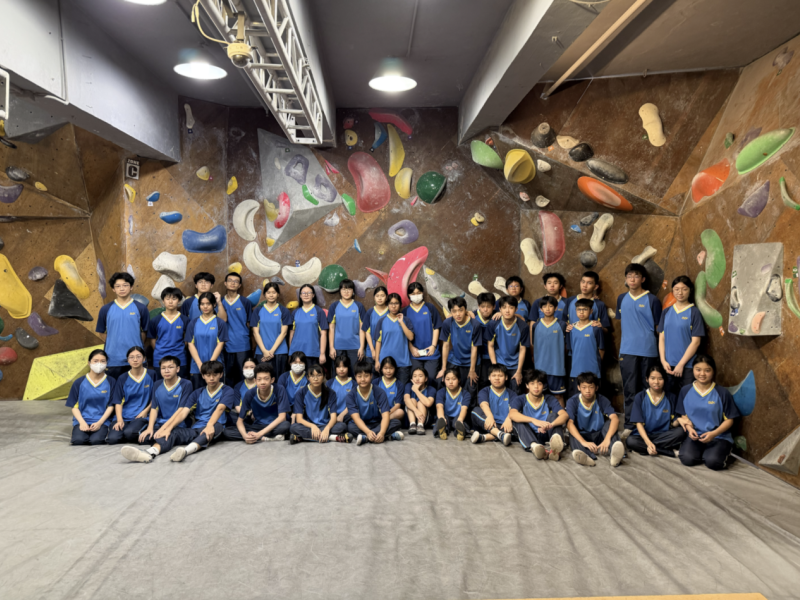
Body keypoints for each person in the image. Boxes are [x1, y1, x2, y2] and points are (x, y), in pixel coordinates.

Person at [119, 361, 236, 463]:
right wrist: (168, 428)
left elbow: (220, 408)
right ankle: (150, 452)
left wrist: (210, 425)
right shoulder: (197, 393)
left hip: (214, 427)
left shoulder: (227, 390)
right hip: (196, 428)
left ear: (221, 375)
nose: (211, 378)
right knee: (171, 433)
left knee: (215, 427)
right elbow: (183, 412)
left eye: (215, 375)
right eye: (208, 375)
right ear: (203, 376)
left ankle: (185, 451)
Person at [617, 263, 663, 433]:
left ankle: (647, 425)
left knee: (648, 389)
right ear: (626, 279)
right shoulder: (622, 298)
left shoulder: (652, 300)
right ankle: (630, 425)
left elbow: (659, 328)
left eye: (636, 276)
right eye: (629, 276)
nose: (632, 279)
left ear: (643, 279)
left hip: (648, 351)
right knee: (630, 390)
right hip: (627, 351)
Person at [675, 355, 740, 470]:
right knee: (687, 459)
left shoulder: (722, 393)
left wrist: (713, 434)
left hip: (718, 436)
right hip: (695, 436)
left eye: (707, 370)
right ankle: (702, 452)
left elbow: (730, 419)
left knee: (713, 462)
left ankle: (717, 452)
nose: (702, 374)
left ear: (713, 371)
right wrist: (689, 429)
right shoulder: (685, 390)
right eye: (698, 370)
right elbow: (683, 415)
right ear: (693, 370)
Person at [96, 273, 150, 379]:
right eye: (118, 286)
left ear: (131, 287)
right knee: (114, 388)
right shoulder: (105, 309)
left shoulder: (141, 308)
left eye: (125, 285)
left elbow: (144, 331)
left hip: (136, 359)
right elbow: (101, 332)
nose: (122, 288)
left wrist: (137, 347)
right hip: (113, 360)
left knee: (137, 387)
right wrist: (114, 343)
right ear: (113, 289)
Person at [566, 372, 625, 467]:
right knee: (573, 433)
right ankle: (585, 456)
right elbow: (569, 423)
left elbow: (615, 419)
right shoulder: (572, 401)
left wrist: (607, 439)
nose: (587, 390)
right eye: (584, 387)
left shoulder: (602, 400)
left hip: (599, 435)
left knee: (610, 423)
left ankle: (616, 456)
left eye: (591, 387)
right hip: (582, 435)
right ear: (578, 387)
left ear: (596, 388)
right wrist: (583, 442)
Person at [658, 276, 705, 397]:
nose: (680, 292)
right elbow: (662, 338)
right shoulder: (666, 312)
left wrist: (681, 364)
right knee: (669, 399)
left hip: (687, 366)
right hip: (668, 366)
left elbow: (696, 342)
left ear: (690, 290)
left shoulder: (694, 312)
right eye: (677, 289)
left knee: (686, 399)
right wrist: (663, 361)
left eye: (684, 289)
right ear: (672, 291)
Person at [628, 365, 686, 457]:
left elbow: (674, 424)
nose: (656, 382)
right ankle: (669, 452)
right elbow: (638, 423)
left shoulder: (671, 397)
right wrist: (648, 442)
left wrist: (679, 419)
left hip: (663, 435)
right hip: (645, 435)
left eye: (660, 379)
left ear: (665, 380)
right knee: (631, 441)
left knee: (681, 432)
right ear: (647, 379)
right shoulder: (640, 397)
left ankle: (644, 449)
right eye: (653, 378)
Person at [224, 363, 290, 443]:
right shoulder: (250, 394)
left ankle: (258, 436)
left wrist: (259, 434)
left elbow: (282, 417)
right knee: (227, 431)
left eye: (266, 379)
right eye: (259, 379)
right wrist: (245, 436)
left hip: (275, 425)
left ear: (272, 380)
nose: (262, 382)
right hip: (257, 426)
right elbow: (239, 421)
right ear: (255, 380)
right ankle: (265, 437)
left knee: (285, 425)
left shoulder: (279, 389)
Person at [510, 369, 568, 460]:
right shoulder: (520, 399)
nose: (536, 387)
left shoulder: (549, 398)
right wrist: (534, 420)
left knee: (554, 416)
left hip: (545, 433)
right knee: (517, 421)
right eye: (532, 383)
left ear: (544, 385)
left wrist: (550, 425)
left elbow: (564, 415)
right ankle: (535, 447)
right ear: (527, 385)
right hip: (529, 434)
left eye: (539, 383)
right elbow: (512, 414)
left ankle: (555, 450)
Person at [136, 355, 194, 445]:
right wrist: (150, 428)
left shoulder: (186, 384)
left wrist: (163, 429)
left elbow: (181, 410)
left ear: (178, 369)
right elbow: (154, 408)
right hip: (161, 422)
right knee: (144, 438)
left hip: (179, 424)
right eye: (163, 368)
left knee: (164, 437)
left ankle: (154, 449)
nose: (166, 371)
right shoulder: (157, 384)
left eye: (170, 367)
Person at [289, 363, 350, 443]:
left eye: (319, 375)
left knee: (342, 426)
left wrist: (327, 429)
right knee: (293, 427)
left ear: (324, 376)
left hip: (325, 425)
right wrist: (313, 426)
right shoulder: (301, 393)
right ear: (308, 378)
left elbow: (333, 417)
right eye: (312, 376)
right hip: (309, 425)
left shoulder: (331, 393)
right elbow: (299, 419)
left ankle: (303, 438)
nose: (316, 379)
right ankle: (331, 437)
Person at [345, 362, 404, 445]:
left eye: (366, 376)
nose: (363, 379)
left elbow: (385, 415)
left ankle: (366, 438)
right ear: (355, 377)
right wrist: (368, 432)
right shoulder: (350, 395)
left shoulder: (379, 392)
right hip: (362, 424)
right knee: (351, 427)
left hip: (377, 423)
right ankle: (387, 436)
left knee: (396, 423)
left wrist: (382, 432)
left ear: (371, 376)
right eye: (359, 376)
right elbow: (356, 418)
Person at [107, 346, 156, 445]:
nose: (135, 360)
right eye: (131, 357)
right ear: (128, 360)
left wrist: (146, 411)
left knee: (129, 433)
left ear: (144, 359)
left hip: (141, 416)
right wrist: (119, 420)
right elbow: (118, 401)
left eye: (138, 356)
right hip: (124, 415)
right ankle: (130, 432)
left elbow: (156, 397)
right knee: (113, 439)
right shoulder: (122, 378)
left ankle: (138, 433)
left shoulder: (151, 374)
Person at [66, 350, 116, 445]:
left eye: (102, 361)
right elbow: (74, 406)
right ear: (89, 363)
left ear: (106, 363)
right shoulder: (78, 382)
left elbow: (111, 406)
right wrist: (82, 422)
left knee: (96, 441)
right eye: (95, 361)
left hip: (102, 420)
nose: (99, 364)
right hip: (83, 419)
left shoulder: (111, 382)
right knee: (79, 440)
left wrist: (100, 423)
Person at [437, 296, 481, 396]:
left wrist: (472, 370)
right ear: (451, 312)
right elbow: (445, 346)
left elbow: (474, 348)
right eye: (454, 311)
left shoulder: (475, 324)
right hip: (454, 359)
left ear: (465, 310)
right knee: (445, 382)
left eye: (460, 310)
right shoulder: (447, 323)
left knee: (470, 388)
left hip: (471, 362)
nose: (458, 314)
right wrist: (443, 368)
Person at [185, 292, 229, 390]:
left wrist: (209, 365)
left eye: (208, 303)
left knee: (217, 395)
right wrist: (200, 365)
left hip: (215, 366)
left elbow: (220, 344)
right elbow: (190, 344)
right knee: (197, 395)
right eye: (202, 304)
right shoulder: (193, 323)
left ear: (214, 304)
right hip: (197, 367)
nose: (205, 306)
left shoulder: (220, 323)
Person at [486, 295, 530, 392]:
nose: (507, 311)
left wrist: (519, 371)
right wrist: (495, 367)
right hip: (499, 362)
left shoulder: (523, 326)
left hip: (515, 365)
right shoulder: (493, 324)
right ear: (500, 309)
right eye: (504, 307)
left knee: (515, 392)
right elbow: (490, 346)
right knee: (499, 391)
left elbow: (523, 349)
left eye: (511, 307)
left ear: (516, 309)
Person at [530, 296, 567, 403]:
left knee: (558, 396)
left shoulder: (562, 325)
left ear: (556, 308)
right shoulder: (536, 325)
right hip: (540, 368)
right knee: (539, 396)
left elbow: (566, 346)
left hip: (557, 368)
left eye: (551, 306)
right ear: (540, 309)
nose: (547, 309)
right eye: (544, 306)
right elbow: (533, 345)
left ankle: (561, 415)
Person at [565, 298, 605, 397]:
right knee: (576, 397)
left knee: (594, 396)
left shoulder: (596, 328)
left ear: (591, 311)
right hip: (576, 370)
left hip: (593, 369)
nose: (581, 312)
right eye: (579, 309)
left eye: (585, 309)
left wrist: (597, 363)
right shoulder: (571, 329)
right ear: (575, 311)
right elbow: (570, 350)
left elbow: (601, 349)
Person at [374, 292, 415, 390]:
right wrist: (377, 361)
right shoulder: (382, 321)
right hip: (385, 363)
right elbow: (378, 342)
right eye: (391, 303)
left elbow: (411, 337)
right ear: (387, 305)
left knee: (402, 391)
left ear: (400, 304)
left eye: (396, 303)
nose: (393, 306)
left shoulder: (406, 320)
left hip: (402, 363)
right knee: (385, 391)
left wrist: (401, 322)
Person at [403, 282, 442, 382]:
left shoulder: (430, 308)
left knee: (430, 379)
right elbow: (404, 333)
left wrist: (433, 346)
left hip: (431, 353)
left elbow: (436, 327)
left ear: (422, 293)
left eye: (418, 293)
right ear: (408, 295)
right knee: (417, 381)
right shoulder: (405, 311)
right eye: (413, 294)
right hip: (414, 354)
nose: (416, 296)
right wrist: (411, 348)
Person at [147, 287, 190, 379]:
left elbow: (187, 339)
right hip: (160, 358)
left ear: (179, 301)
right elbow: (152, 338)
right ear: (163, 301)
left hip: (180, 358)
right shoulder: (156, 320)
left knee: (180, 384)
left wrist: (181, 348)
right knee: (160, 384)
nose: (170, 302)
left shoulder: (185, 320)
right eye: (167, 299)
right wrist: (159, 350)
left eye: (174, 299)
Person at [251, 282, 292, 377]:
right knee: (263, 379)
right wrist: (264, 351)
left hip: (280, 352)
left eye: (274, 292)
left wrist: (271, 352)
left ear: (278, 294)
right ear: (264, 294)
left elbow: (283, 333)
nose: (271, 295)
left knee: (278, 379)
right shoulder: (258, 310)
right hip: (262, 352)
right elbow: (256, 333)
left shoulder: (284, 311)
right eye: (268, 292)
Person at [221, 272, 253, 386]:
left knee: (244, 375)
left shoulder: (245, 302)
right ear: (225, 283)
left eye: (236, 281)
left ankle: (243, 396)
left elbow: (249, 324)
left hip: (242, 344)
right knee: (228, 376)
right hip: (225, 344)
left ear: (239, 285)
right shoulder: (219, 302)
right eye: (230, 280)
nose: (233, 283)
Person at [327, 279, 366, 373]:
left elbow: (362, 329)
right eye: (344, 289)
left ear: (353, 291)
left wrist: (361, 347)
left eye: (349, 289)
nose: (346, 291)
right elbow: (331, 328)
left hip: (355, 346)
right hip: (338, 347)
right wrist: (331, 347)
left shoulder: (359, 306)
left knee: (355, 374)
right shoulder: (334, 306)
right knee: (338, 374)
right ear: (340, 291)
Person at [470, 364, 513, 445]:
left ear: (506, 377)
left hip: (505, 426)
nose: (497, 378)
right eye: (493, 375)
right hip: (487, 423)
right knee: (475, 411)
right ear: (489, 377)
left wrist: (508, 419)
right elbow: (484, 404)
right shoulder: (484, 391)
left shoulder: (511, 394)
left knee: (518, 422)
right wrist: (490, 416)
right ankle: (500, 435)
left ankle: (484, 437)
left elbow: (514, 409)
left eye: (500, 375)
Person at [288, 284, 328, 368]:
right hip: (296, 353)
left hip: (312, 352)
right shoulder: (295, 312)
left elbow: (323, 334)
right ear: (300, 295)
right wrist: (290, 353)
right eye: (303, 293)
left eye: (309, 292)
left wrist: (322, 353)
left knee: (312, 375)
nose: (306, 295)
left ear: (313, 295)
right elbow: (291, 333)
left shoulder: (319, 311)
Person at [434, 368, 471, 441]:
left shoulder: (465, 394)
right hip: (446, 416)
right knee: (440, 421)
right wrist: (441, 418)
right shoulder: (441, 392)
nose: (450, 382)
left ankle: (461, 433)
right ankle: (441, 431)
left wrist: (460, 420)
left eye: (454, 379)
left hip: (458, 416)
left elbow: (464, 409)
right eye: (447, 379)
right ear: (444, 380)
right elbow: (439, 406)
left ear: (459, 380)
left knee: (460, 423)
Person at [362, 286, 390, 374]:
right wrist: (372, 350)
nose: (380, 298)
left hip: (387, 351)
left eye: (382, 296)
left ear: (386, 297)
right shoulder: (370, 312)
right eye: (377, 296)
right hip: (371, 352)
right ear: (374, 298)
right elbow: (367, 332)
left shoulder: (391, 312)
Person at [404, 367, 437, 435]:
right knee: (412, 400)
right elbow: (406, 400)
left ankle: (420, 425)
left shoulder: (431, 389)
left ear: (426, 379)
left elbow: (428, 403)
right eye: (415, 376)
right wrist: (416, 411)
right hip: (409, 419)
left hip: (425, 419)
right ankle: (412, 424)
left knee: (420, 402)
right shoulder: (409, 385)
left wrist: (416, 390)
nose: (417, 379)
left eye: (420, 376)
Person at [278, 351, 309, 422]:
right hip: (286, 408)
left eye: (301, 363)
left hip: (302, 408)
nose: (298, 365)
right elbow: (280, 396)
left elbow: (308, 398)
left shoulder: (308, 378)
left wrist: (297, 411)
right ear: (290, 363)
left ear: (305, 364)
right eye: (295, 363)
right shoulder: (284, 377)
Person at [475, 293, 496, 391]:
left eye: (489, 307)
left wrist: (501, 314)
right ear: (479, 306)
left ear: (494, 307)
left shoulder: (497, 318)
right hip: (477, 356)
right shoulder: (473, 317)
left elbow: (520, 318)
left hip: (492, 356)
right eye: (483, 307)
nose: (485, 309)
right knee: (482, 381)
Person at [374, 356, 405, 423]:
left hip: (391, 413)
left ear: (395, 369)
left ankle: (381, 422)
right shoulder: (376, 382)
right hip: (377, 413)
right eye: (385, 368)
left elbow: (398, 405)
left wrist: (386, 415)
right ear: (381, 369)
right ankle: (384, 423)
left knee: (400, 412)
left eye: (391, 368)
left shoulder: (399, 385)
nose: (388, 371)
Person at [328, 354, 354, 422]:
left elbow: (354, 403)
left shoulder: (354, 384)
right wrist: (333, 416)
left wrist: (342, 415)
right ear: (335, 368)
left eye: (344, 366)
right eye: (339, 367)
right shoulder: (329, 383)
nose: (341, 369)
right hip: (331, 414)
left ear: (348, 367)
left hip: (347, 414)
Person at [231, 357, 258, 423]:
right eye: (246, 367)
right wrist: (249, 413)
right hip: (244, 415)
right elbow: (237, 407)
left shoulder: (262, 384)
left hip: (259, 414)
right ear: (242, 369)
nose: (249, 369)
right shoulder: (238, 386)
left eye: (252, 367)